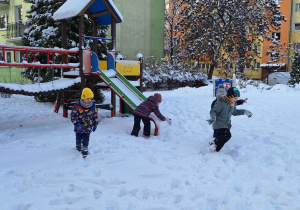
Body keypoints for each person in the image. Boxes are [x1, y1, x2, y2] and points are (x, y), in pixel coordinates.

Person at [207, 87, 252, 152]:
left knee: (224, 137)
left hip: (226, 124)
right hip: (218, 124)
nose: (237, 100)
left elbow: (235, 112)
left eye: (237, 98)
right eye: (235, 98)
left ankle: (214, 145)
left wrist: (245, 112)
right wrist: (213, 117)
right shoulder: (221, 103)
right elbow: (213, 111)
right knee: (227, 135)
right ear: (230, 97)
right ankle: (214, 147)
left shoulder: (232, 104)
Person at [71, 87, 98, 157]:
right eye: (87, 98)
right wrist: (76, 124)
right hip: (79, 127)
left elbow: (95, 115)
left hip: (88, 126)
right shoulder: (77, 106)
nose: (89, 100)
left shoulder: (92, 106)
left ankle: (85, 147)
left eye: (90, 98)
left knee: (86, 137)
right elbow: (73, 116)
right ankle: (78, 145)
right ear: (83, 98)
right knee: (78, 137)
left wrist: (95, 123)